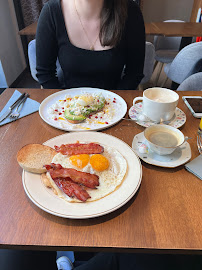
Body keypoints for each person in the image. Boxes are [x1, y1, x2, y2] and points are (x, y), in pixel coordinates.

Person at [36, 0, 145, 90]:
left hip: (115, 105)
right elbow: (45, 74)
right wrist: (63, 105)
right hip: (67, 106)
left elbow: (134, 73)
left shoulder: (130, 11)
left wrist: (115, 105)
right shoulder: (51, 12)